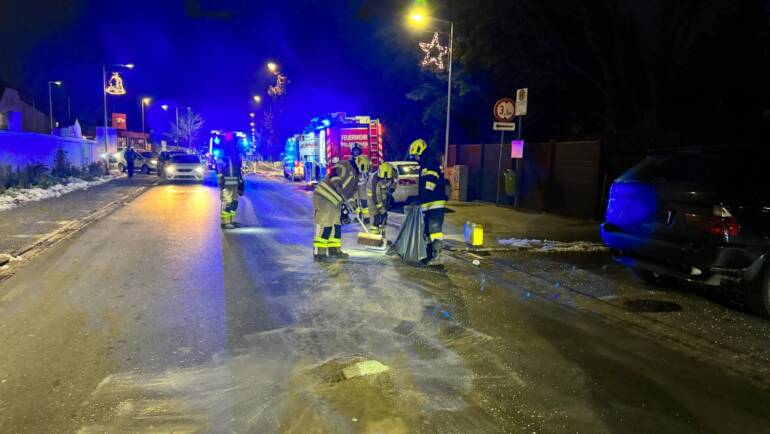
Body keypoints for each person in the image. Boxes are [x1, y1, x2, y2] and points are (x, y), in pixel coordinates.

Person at [313, 157, 360, 261]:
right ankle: (319, 252)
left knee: (336, 224)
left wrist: (350, 207)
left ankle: (334, 250)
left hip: (336, 200)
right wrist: (337, 185)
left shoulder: (356, 178)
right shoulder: (345, 164)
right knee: (325, 223)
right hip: (324, 196)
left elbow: (350, 194)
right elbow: (333, 173)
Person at [409, 139, 448, 264]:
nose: (416, 158)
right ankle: (428, 254)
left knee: (434, 230)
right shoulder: (426, 164)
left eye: (416, 155)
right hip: (428, 204)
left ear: (421, 151)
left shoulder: (431, 164)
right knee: (426, 231)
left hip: (435, 204)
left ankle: (436, 256)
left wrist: (421, 199)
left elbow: (429, 185)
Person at [217, 135, 244, 229]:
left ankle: (231, 221)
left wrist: (241, 183)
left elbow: (238, 170)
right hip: (227, 183)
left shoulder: (235, 155)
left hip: (234, 183)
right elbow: (220, 171)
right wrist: (221, 184)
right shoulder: (223, 155)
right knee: (227, 202)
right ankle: (225, 222)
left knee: (234, 202)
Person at [367, 161, 396, 236]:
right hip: (372, 193)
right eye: (383, 179)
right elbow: (376, 196)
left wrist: (390, 193)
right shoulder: (375, 178)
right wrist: (381, 208)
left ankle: (382, 232)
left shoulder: (394, 174)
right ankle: (374, 234)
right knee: (375, 213)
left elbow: (393, 185)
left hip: (384, 192)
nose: (385, 180)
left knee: (384, 212)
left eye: (387, 179)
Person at [354, 154, 372, 224]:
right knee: (359, 206)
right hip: (360, 192)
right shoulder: (366, 173)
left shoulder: (364, 174)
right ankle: (360, 217)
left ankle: (365, 218)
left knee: (363, 206)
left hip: (361, 192)